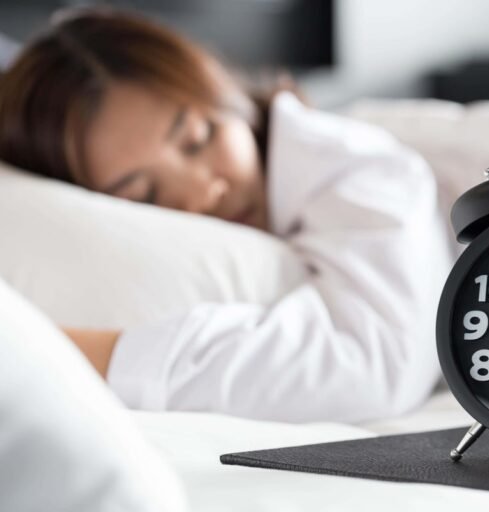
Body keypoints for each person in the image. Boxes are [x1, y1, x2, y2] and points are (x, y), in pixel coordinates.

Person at [0, 8, 452, 422]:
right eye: (143, 194)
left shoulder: (359, 167)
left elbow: (372, 363)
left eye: (198, 139)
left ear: (226, 96)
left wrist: (73, 353)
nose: (204, 192)